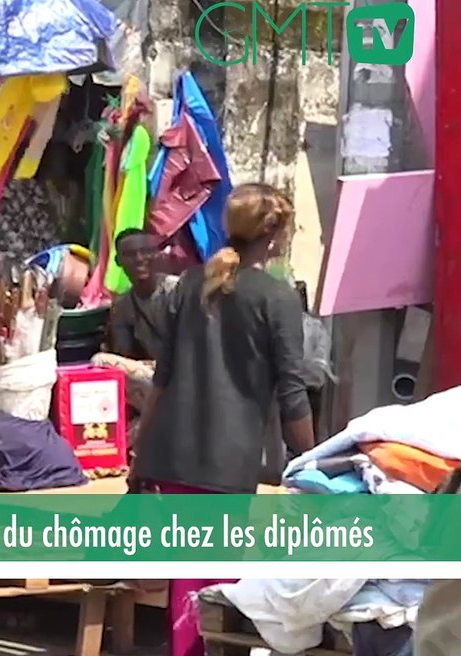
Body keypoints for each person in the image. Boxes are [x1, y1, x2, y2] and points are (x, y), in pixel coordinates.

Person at [128, 183, 316, 656]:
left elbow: (163, 377)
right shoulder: (276, 298)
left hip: (174, 454)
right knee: (220, 587)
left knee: (190, 578)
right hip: (227, 462)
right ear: (273, 235)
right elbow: (293, 392)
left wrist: (141, 452)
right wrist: (313, 461)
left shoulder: (190, 284)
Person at [91, 228, 177, 416]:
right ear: (118, 262)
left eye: (145, 252)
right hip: (151, 376)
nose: (139, 259)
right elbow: (124, 354)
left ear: (156, 254)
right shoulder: (122, 305)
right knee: (102, 364)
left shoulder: (176, 292)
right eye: (130, 255)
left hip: (181, 375)